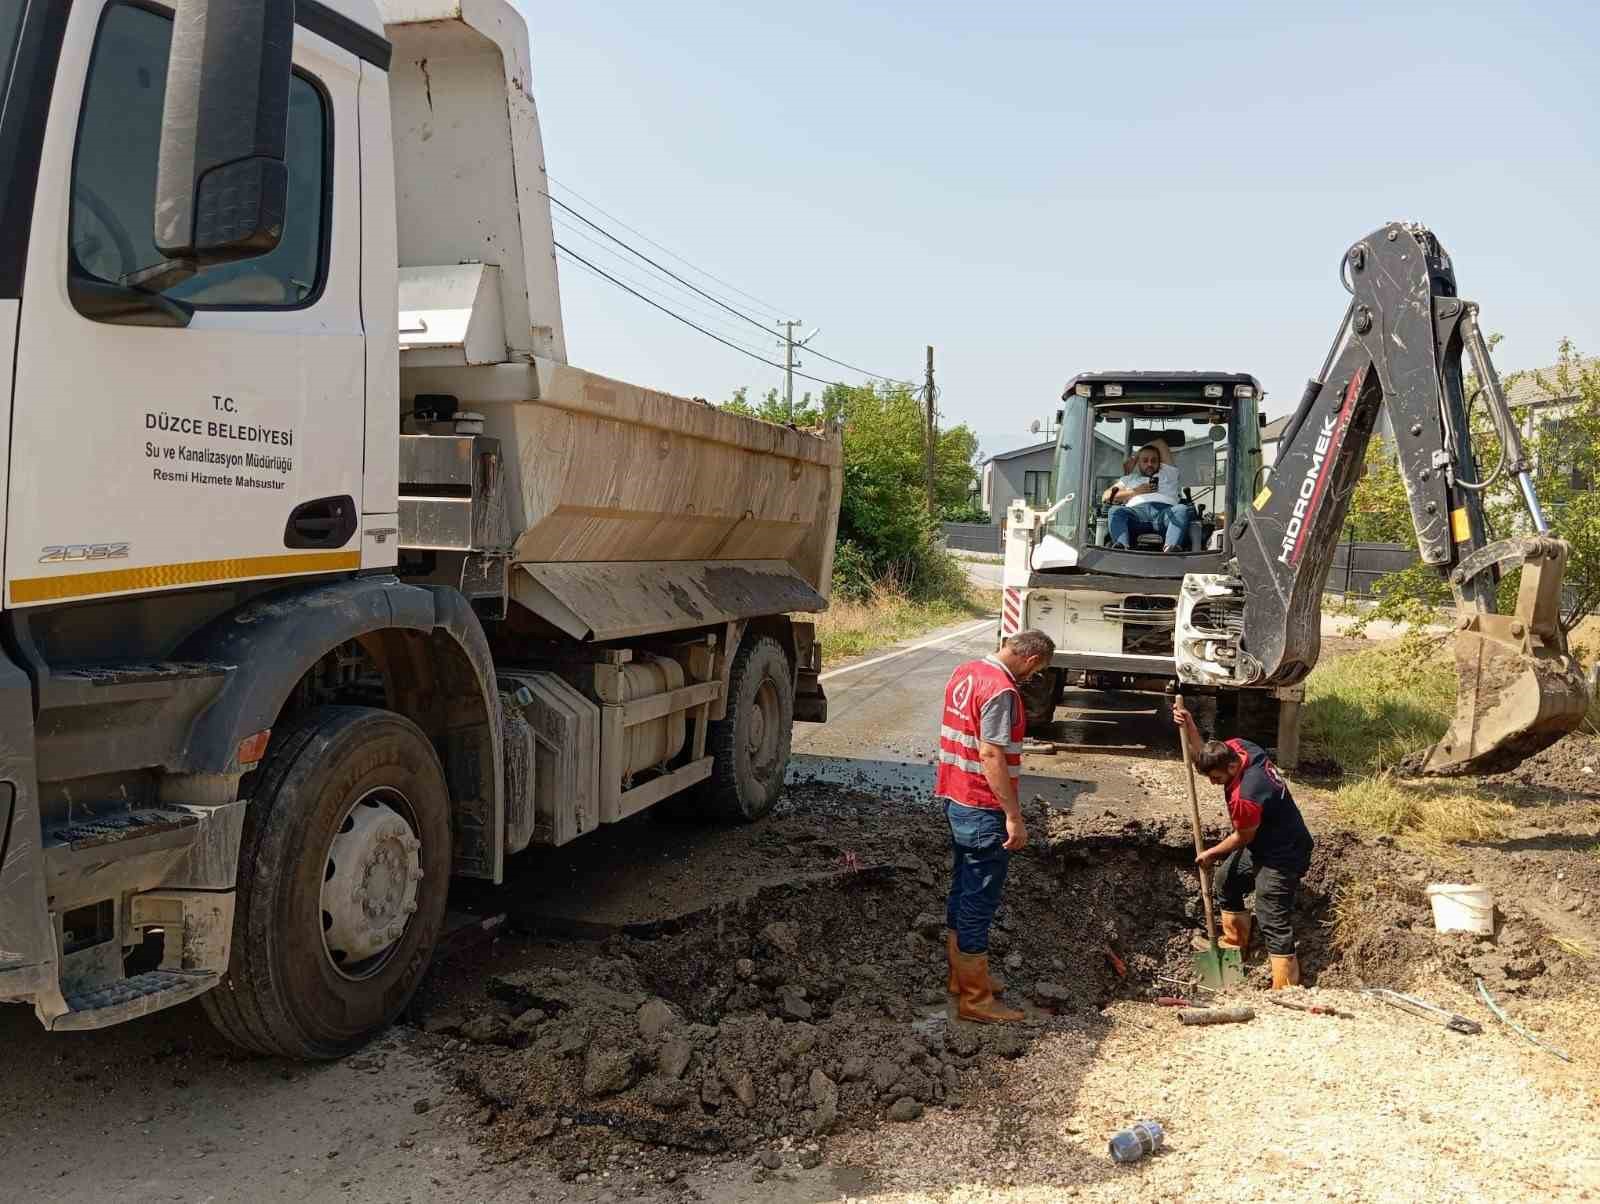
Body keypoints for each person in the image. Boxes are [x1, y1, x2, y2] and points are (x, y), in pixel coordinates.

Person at [935, 628, 1056, 1023]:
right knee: (978, 902)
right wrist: (1013, 816)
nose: (1031, 679)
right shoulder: (1002, 690)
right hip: (982, 806)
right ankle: (976, 999)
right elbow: (991, 753)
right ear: (1033, 660)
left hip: (955, 797)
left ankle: (961, 977)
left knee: (962, 889)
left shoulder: (966, 670)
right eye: (1037, 672)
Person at [1172, 699, 1315, 988]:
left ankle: (1286, 986)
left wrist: (1211, 852)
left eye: (1217, 779)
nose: (1214, 784)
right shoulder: (1240, 747)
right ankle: (1234, 946)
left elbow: (1242, 837)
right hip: (1264, 842)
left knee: (1269, 911)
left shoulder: (1246, 796)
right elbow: (1206, 755)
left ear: (1233, 767)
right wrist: (1189, 727)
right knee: (1227, 881)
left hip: (1284, 852)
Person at [1103, 443, 1195, 552]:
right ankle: (1122, 549)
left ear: (1160, 463)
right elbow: (1106, 496)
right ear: (1138, 463)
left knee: (1181, 509)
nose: (1149, 464)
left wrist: (1136, 455)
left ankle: (1171, 549)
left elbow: (1160, 441)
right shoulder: (1129, 479)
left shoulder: (1169, 474)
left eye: (1154, 460)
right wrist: (1135, 491)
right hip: (1136, 515)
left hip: (1165, 515)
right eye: (1145, 460)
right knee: (1115, 510)